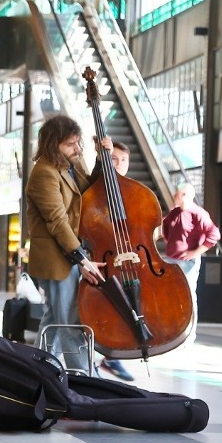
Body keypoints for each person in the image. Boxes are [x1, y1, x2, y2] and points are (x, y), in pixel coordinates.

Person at [25, 115, 108, 374]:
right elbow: (57, 222)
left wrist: (100, 158)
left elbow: (90, 191)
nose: (77, 148)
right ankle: (90, 382)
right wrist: (81, 258)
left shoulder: (68, 164)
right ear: (53, 144)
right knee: (69, 322)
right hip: (57, 258)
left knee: (55, 319)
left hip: (68, 254)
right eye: (71, 144)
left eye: (77, 143)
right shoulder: (44, 174)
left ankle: (37, 374)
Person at [90, 140, 134, 381]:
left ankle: (113, 356)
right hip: (102, 256)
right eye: (114, 159)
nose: (119, 164)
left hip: (129, 255)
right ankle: (107, 357)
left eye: (123, 160)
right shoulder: (98, 187)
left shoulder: (134, 190)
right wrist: (101, 158)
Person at [161, 183, 221, 345]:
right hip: (172, 259)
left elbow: (214, 235)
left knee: (188, 296)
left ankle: (188, 335)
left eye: (178, 194)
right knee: (171, 297)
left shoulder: (198, 214)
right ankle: (174, 332)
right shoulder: (174, 213)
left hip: (187, 262)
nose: (175, 197)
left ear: (185, 195)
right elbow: (166, 231)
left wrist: (195, 252)